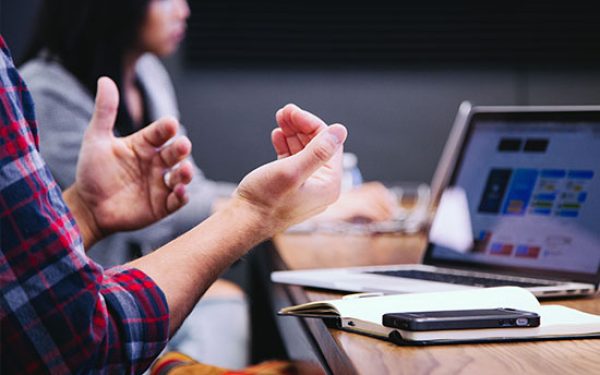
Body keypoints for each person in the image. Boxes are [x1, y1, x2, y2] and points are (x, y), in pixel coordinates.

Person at [19, 0, 395, 364]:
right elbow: (166, 215)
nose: (184, 9)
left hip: (134, 289)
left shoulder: (148, 74)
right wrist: (284, 209)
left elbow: (183, 192)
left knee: (230, 305)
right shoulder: (46, 92)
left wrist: (286, 201)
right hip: (88, 314)